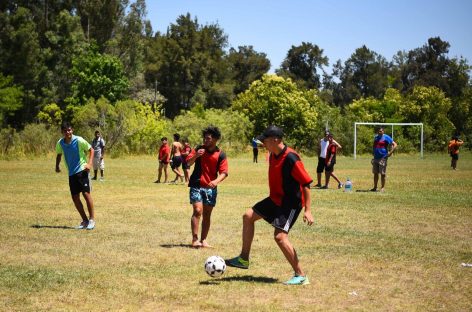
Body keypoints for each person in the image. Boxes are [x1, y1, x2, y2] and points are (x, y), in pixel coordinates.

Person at [225, 125, 314, 286]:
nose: (262, 143)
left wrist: (308, 210)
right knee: (248, 216)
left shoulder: (291, 158)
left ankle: (301, 275)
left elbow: (306, 184)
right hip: (275, 199)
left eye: (264, 140)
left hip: (290, 203)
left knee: (280, 237)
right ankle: (243, 259)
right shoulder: (273, 154)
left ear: (276, 140)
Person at [186, 126, 228, 248]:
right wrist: (196, 156)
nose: (205, 140)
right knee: (198, 210)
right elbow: (188, 163)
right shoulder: (199, 149)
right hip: (196, 185)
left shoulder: (221, 154)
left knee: (207, 214)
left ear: (215, 139)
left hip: (210, 188)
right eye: (204, 138)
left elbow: (224, 172)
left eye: (208, 138)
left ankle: (203, 240)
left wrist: (216, 181)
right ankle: (195, 240)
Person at [55, 122, 96, 230]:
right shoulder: (60, 143)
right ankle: (85, 221)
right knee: (75, 198)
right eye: (65, 131)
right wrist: (57, 166)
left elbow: (91, 149)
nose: (67, 132)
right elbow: (59, 154)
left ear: (72, 130)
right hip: (71, 173)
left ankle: (92, 220)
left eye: (69, 130)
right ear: (62, 132)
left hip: (82, 171)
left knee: (86, 194)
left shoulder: (78, 140)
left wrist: (90, 163)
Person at [371, 127, 397, 192]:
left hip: (383, 158)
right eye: (379, 131)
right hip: (376, 158)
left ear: (383, 131)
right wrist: (373, 154)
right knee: (375, 173)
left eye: (381, 131)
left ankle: (382, 188)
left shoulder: (386, 137)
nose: (380, 132)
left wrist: (390, 152)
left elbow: (395, 144)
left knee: (382, 174)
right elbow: (374, 146)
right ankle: (375, 187)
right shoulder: (376, 137)